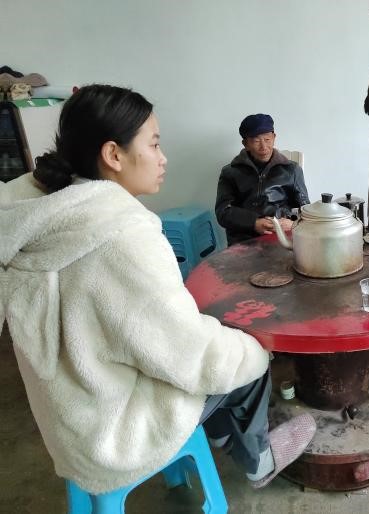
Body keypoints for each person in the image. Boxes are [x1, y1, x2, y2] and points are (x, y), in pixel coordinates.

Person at [0, 85, 316, 494]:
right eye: (153, 144)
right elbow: (188, 352)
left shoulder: (43, 213)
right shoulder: (122, 237)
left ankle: (223, 434)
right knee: (246, 357)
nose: (163, 157)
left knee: (218, 342)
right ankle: (258, 461)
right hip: (117, 432)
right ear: (113, 155)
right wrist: (257, 351)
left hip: (72, 417)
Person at [215, 113, 310, 245]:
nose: (264, 147)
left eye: (267, 139)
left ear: (274, 138)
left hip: (282, 238)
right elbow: (223, 212)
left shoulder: (292, 170)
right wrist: (253, 223)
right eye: (256, 141)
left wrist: (293, 223)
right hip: (243, 241)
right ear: (245, 144)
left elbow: (306, 211)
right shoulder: (230, 172)